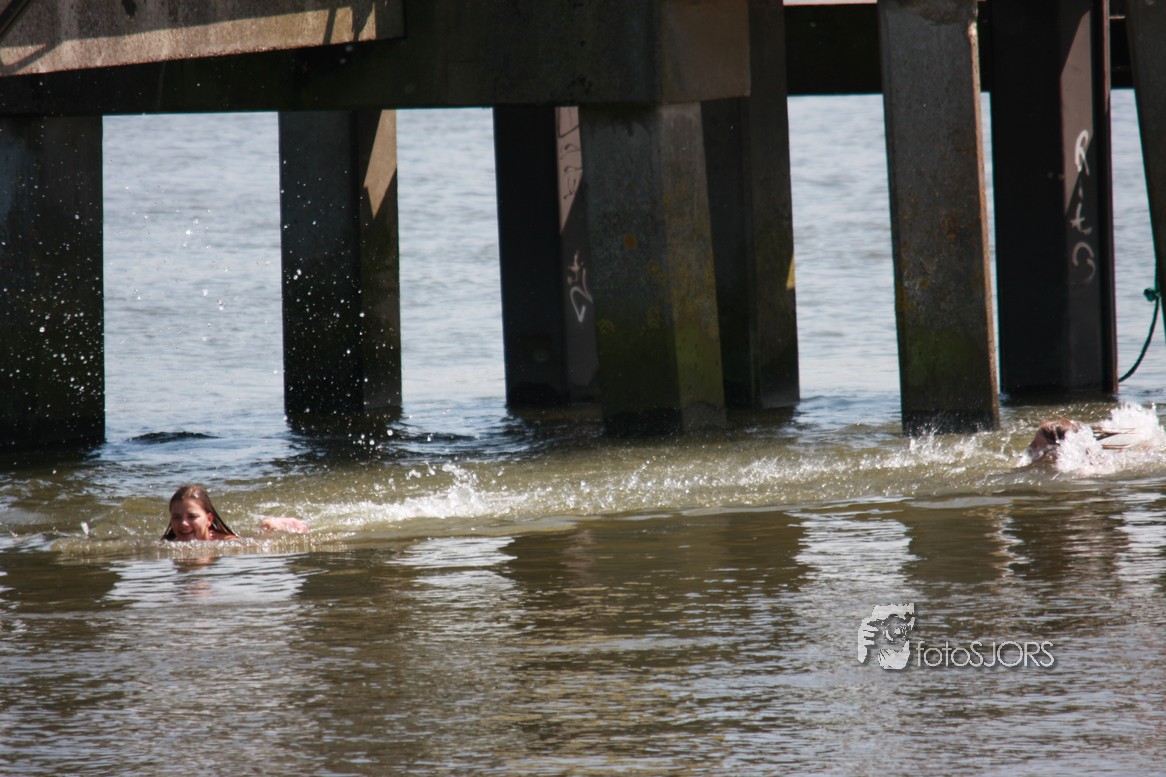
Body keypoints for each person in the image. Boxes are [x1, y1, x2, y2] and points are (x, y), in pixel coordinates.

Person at [163, 484, 309, 541]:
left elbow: (256, 543)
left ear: (209, 520)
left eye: (192, 516)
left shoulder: (226, 542)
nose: (183, 523)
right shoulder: (168, 545)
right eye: (176, 517)